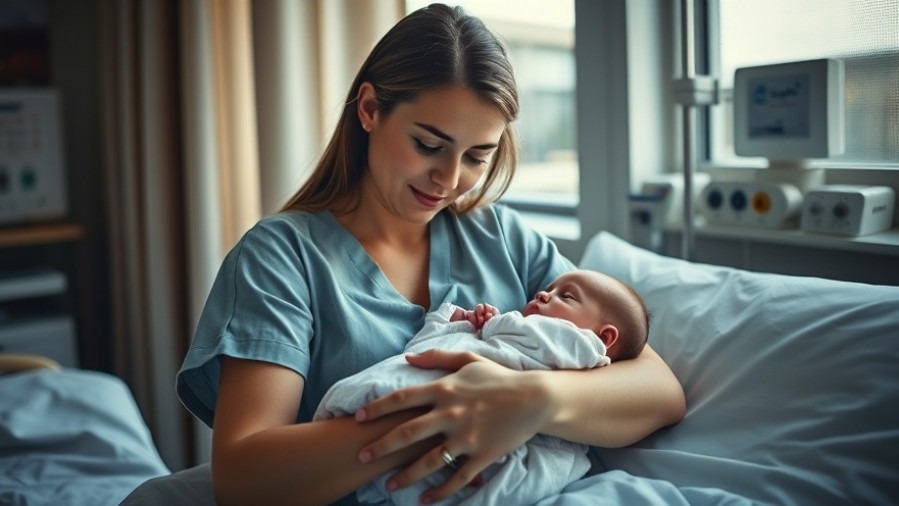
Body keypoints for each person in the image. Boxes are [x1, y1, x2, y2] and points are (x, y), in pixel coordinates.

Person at [175, 4, 685, 505]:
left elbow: (657, 388)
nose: (450, 179)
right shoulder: (280, 258)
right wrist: (447, 416)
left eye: (477, 156)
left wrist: (529, 402)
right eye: (428, 144)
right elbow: (243, 479)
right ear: (370, 110)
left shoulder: (503, 239)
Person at [314, 269, 650, 504]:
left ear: (604, 337)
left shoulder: (581, 346)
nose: (544, 293)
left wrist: (494, 324)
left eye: (566, 296)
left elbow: (525, 337)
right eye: (548, 289)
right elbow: (419, 352)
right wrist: (457, 323)